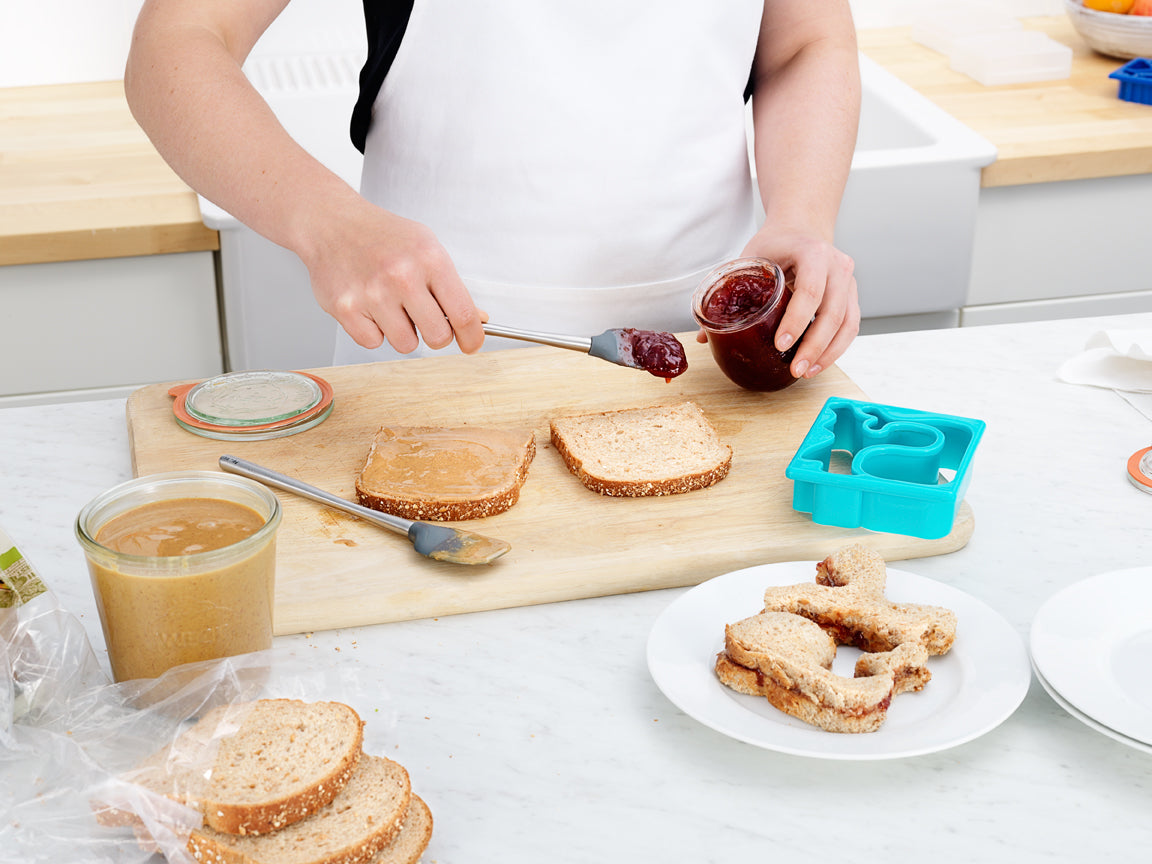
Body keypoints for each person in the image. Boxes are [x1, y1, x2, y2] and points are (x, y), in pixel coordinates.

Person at [125, 0, 861, 379]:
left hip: (707, 361)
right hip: (435, 357)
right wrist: (326, 222)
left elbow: (803, 43)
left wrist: (801, 216)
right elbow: (178, 43)